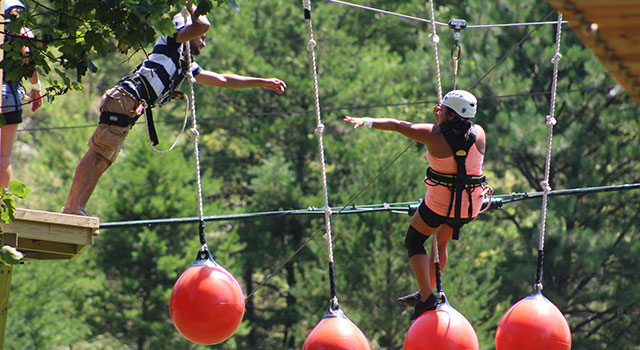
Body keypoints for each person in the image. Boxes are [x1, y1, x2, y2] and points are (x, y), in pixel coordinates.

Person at [61, 6, 286, 216]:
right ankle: (71, 206)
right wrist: (191, 5)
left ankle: (79, 207)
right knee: (98, 151)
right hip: (125, 98)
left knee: (104, 160)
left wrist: (261, 82)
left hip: (129, 107)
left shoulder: (183, 64)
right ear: (186, 30)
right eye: (202, 40)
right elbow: (202, 26)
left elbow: (224, 79)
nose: (204, 44)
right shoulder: (171, 40)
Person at [343, 90, 488, 320]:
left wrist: (366, 121)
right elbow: (456, 145)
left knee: (414, 240)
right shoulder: (479, 134)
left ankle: (426, 297)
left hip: (439, 205)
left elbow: (399, 125)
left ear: (450, 115)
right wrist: (442, 120)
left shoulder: (432, 134)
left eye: (445, 111)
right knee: (440, 242)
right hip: (468, 207)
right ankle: (425, 292)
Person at [1, 0, 43, 188]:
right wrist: (36, 88)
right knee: (4, 155)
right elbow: (28, 62)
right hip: (10, 93)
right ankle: (1, 204)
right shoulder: (24, 34)